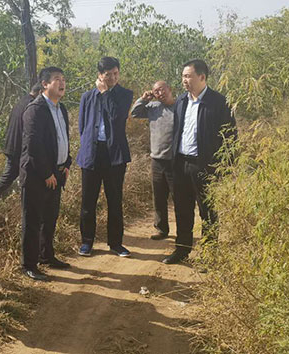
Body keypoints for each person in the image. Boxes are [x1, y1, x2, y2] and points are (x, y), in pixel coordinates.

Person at [163, 59, 236, 264]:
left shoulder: (219, 102)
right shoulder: (181, 101)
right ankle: (182, 250)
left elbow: (230, 137)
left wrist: (224, 168)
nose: (184, 80)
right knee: (182, 209)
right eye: (183, 76)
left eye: (188, 76)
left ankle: (209, 255)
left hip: (206, 166)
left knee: (208, 212)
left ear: (202, 77)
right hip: (181, 164)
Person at [76, 57, 133, 257]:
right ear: (100, 75)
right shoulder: (87, 97)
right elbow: (82, 126)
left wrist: (105, 93)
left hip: (114, 155)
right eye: (108, 75)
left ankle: (116, 243)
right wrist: (87, 147)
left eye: (116, 73)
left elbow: (117, 117)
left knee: (114, 200)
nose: (113, 78)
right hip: (92, 153)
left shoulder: (125, 94)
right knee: (88, 202)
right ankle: (87, 242)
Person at [20, 67, 72, 281]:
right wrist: (46, 173)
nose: (62, 83)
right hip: (37, 175)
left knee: (50, 218)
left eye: (63, 79)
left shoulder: (61, 108)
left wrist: (67, 163)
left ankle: (46, 256)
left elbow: (63, 138)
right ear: (45, 84)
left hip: (57, 173)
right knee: (33, 221)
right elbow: (33, 145)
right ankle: (29, 265)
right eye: (57, 79)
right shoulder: (35, 109)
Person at [0, 82, 43, 205]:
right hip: (18, 148)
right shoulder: (31, 105)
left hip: (13, 145)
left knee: (9, 177)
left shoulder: (22, 101)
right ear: (40, 92)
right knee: (10, 178)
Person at [131, 81, 176, 240]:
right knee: (159, 197)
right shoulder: (153, 107)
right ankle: (161, 229)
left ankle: (184, 232)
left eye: (162, 89)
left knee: (178, 198)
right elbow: (135, 113)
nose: (160, 93)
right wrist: (144, 99)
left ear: (169, 89)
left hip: (174, 161)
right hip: (157, 160)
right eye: (156, 91)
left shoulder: (180, 107)